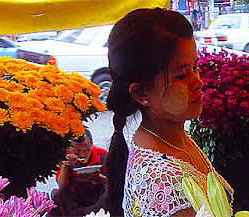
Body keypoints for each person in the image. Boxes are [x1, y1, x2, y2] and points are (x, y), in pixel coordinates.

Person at [104, 8, 233, 216]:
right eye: (181, 76)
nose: (198, 82)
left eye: (195, 68)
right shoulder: (163, 181)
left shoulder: (173, 137)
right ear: (141, 93)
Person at [49, 128, 108, 217]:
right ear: (70, 148)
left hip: (97, 195)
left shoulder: (103, 154)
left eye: (87, 150)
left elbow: (112, 183)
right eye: (77, 150)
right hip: (76, 195)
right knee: (57, 194)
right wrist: (65, 165)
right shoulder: (65, 156)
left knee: (109, 192)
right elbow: (62, 186)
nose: (82, 155)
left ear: (92, 145)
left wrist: (99, 177)